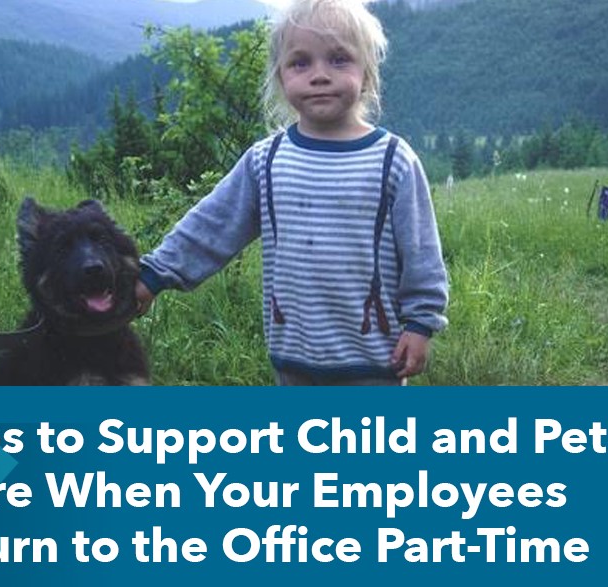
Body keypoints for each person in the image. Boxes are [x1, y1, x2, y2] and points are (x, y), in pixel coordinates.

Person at [135, 0, 448, 385]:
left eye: (339, 59)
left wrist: (421, 322)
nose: (319, 75)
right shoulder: (266, 161)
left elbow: (422, 253)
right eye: (300, 63)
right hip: (293, 361)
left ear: (366, 74)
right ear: (281, 78)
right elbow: (211, 225)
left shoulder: (393, 160)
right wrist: (154, 274)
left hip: (374, 363)